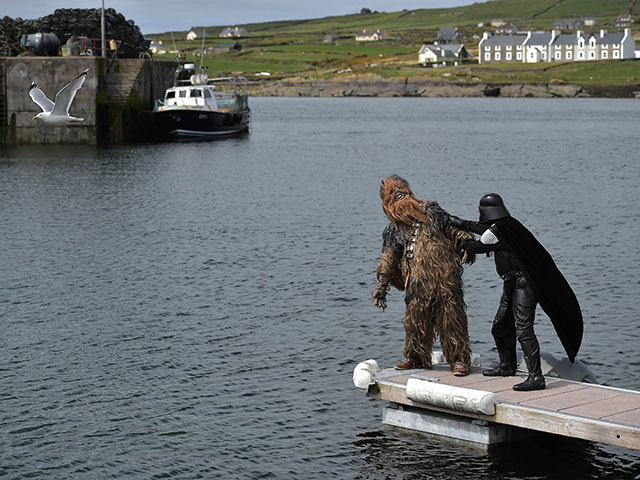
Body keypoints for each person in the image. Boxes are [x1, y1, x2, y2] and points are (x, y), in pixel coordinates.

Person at [449, 193, 583, 391]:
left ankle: (536, 377)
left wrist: (454, 238)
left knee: (523, 329)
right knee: (501, 326)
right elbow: (482, 229)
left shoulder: (500, 230)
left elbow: (476, 245)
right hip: (512, 282)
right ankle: (506, 366)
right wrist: (457, 222)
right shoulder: (508, 225)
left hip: (524, 284)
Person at [372, 175, 475, 376]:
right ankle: (416, 357)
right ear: (387, 204)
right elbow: (389, 257)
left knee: (452, 320)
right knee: (415, 322)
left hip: (445, 280)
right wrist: (381, 285)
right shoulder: (395, 229)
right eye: (393, 195)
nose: (399, 197)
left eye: (401, 191)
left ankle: (459, 359)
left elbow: (454, 229)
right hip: (417, 284)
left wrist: (467, 243)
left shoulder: (432, 212)